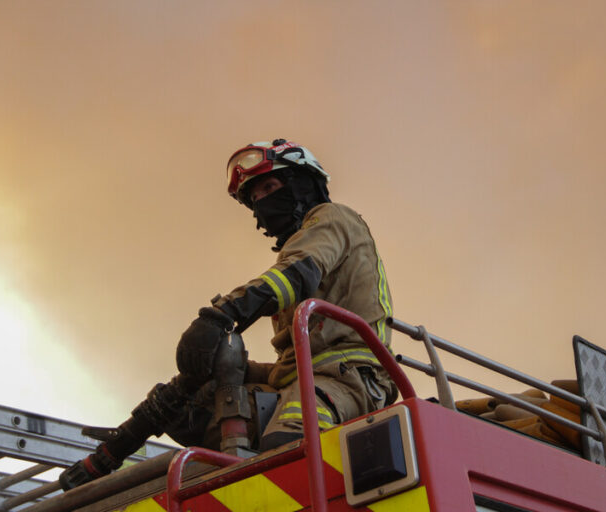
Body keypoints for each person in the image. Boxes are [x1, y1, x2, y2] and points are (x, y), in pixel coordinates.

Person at [59, 139, 396, 490]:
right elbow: (291, 355)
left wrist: (220, 315)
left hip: (351, 377)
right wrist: (216, 369)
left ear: (302, 183)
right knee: (190, 405)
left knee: (286, 450)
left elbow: (298, 274)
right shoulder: (296, 250)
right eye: (254, 199)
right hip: (299, 376)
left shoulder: (333, 219)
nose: (262, 202)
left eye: (269, 186)